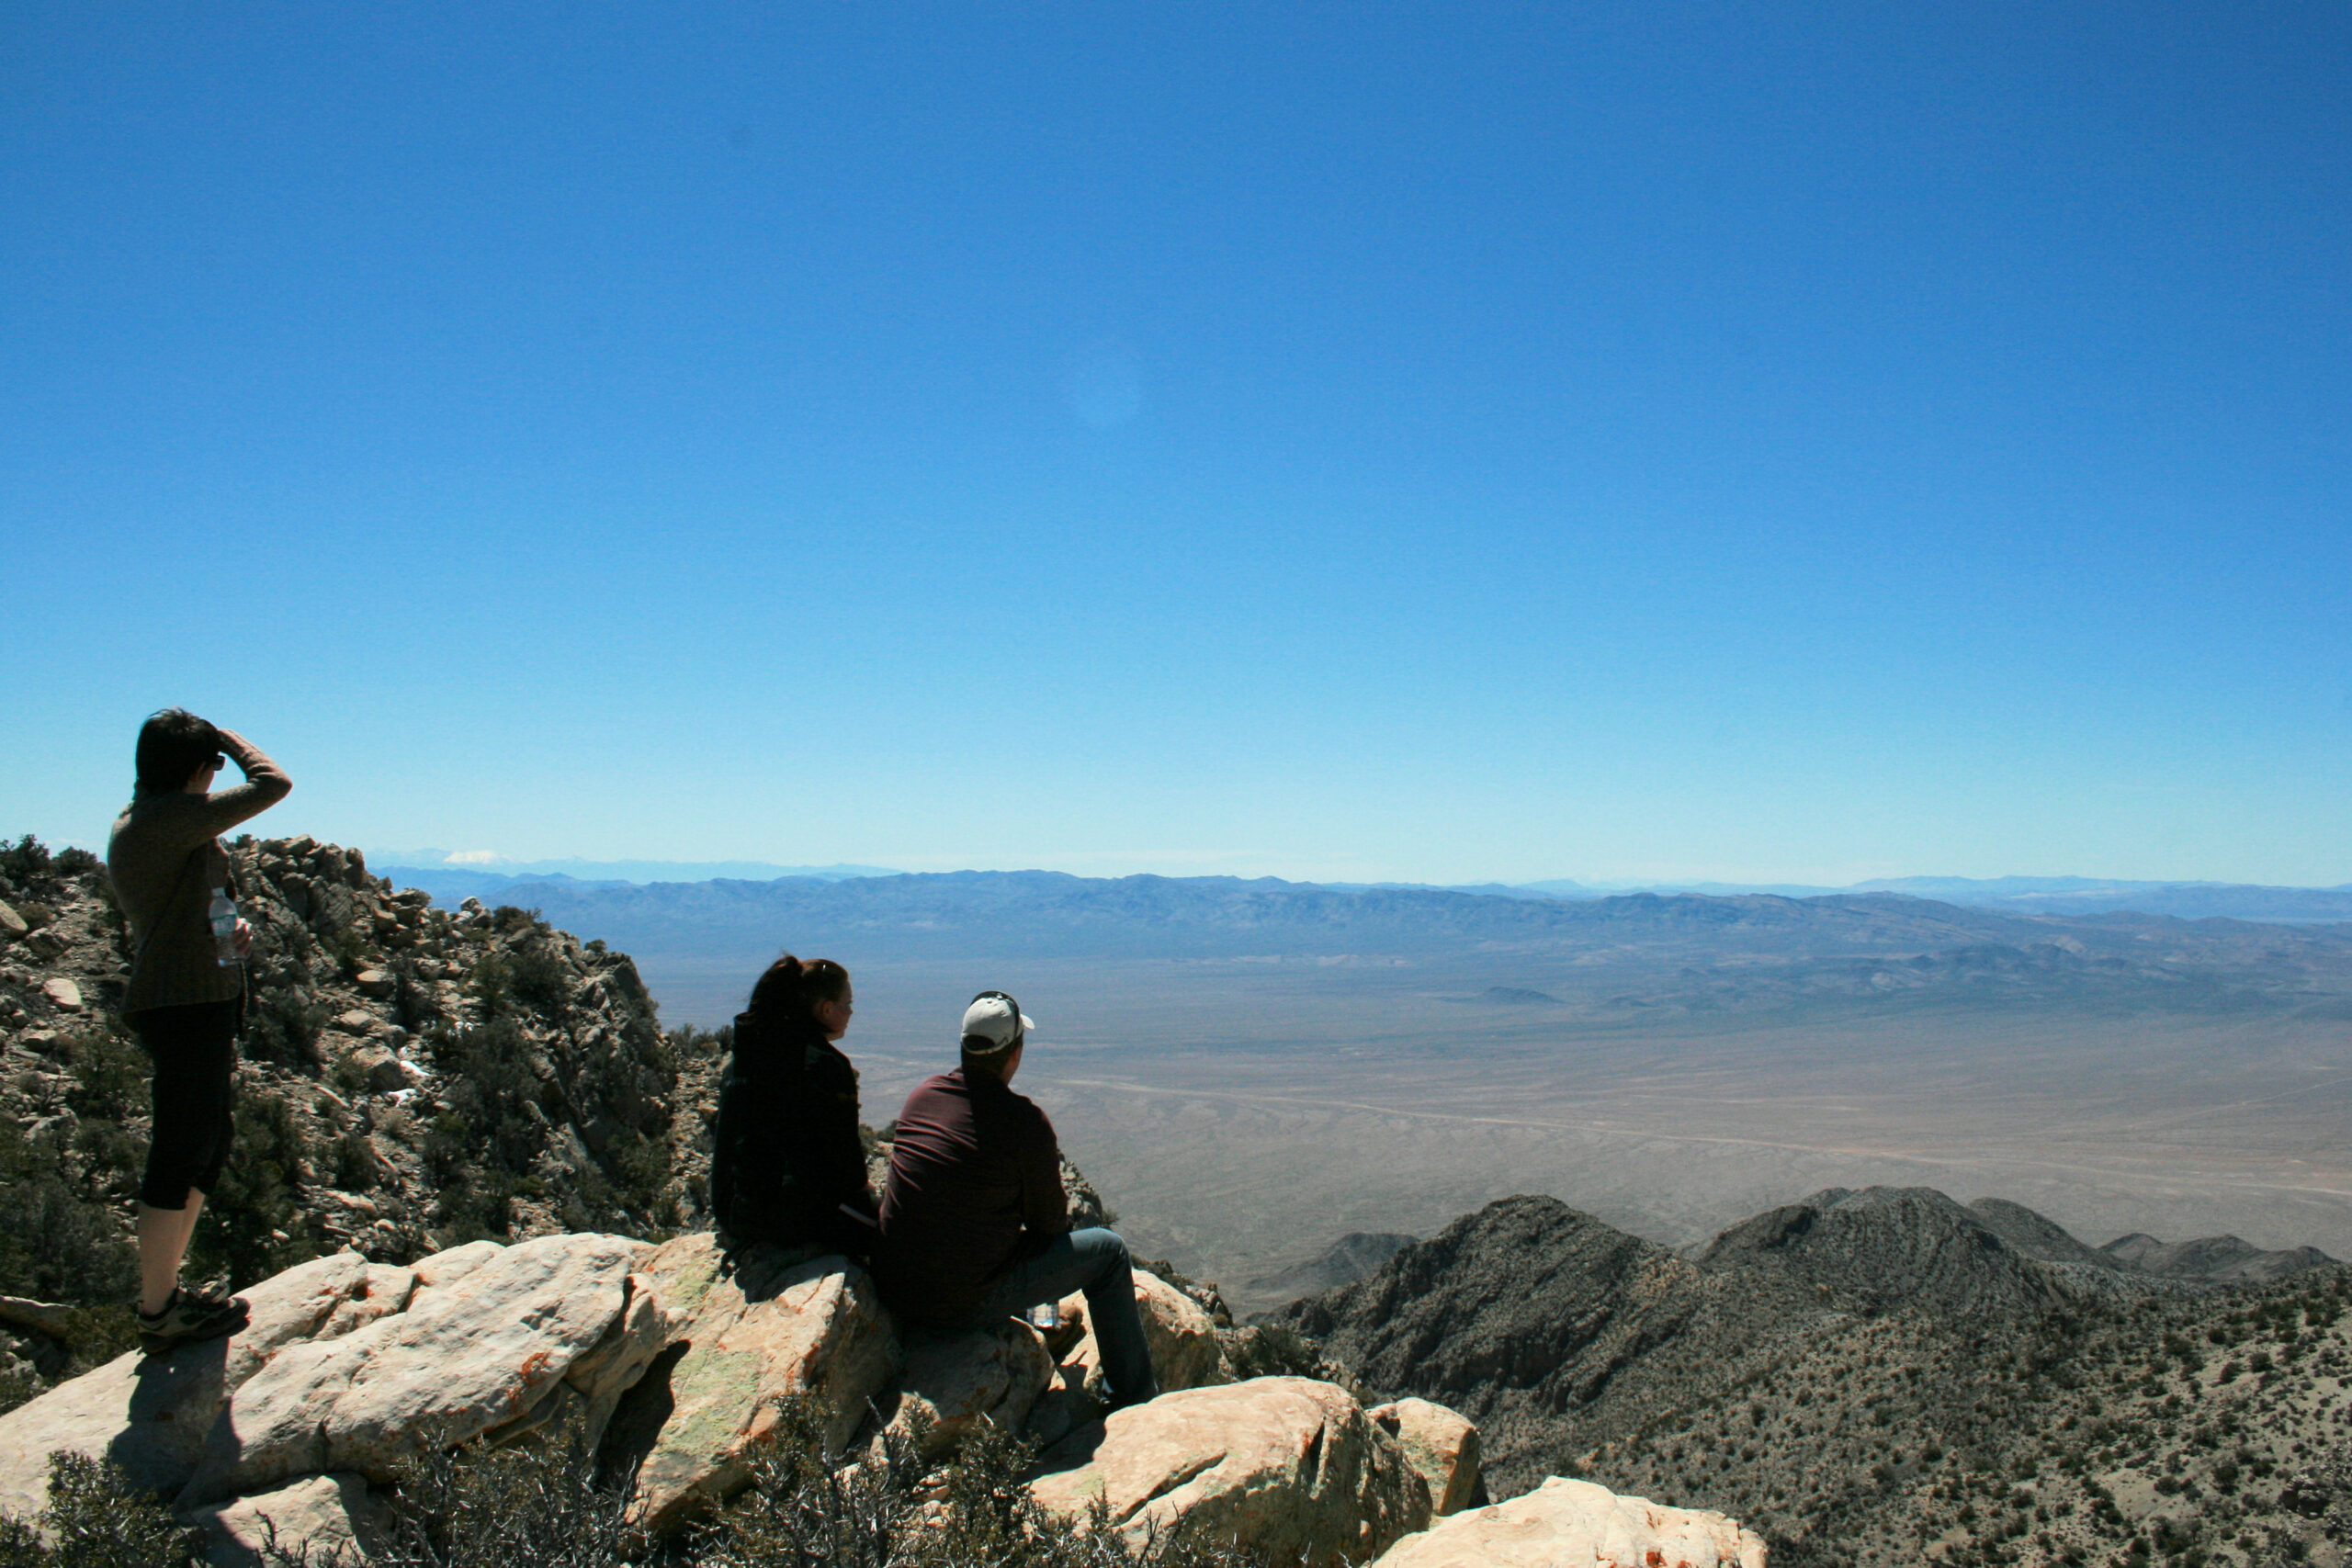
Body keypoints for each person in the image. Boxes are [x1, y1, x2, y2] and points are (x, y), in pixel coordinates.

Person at [105, 710, 291, 1354]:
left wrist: (228, 931)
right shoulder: (160, 818)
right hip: (180, 1004)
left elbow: (187, 905)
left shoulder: (160, 821)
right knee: (180, 1148)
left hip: (197, 997)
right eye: (210, 764)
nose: (216, 775)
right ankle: (157, 1309)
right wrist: (232, 735)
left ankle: (169, 1293)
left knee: (206, 1144)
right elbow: (274, 784)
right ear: (191, 765)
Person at [876, 991, 1159, 1409]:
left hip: (896, 1289)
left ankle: (1045, 1322)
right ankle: (1133, 1398)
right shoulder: (1024, 1123)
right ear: (1015, 1052)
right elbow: (1049, 1226)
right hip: (958, 1306)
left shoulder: (922, 1097)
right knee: (1109, 1252)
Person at [708, 954, 878, 1258]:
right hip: (787, 1219)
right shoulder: (826, 1065)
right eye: (847, 1003)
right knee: (895, 1229)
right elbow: (846, 1171)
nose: (851, 1011)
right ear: (826, 1009)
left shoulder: (746, 1056)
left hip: (732, 1212)